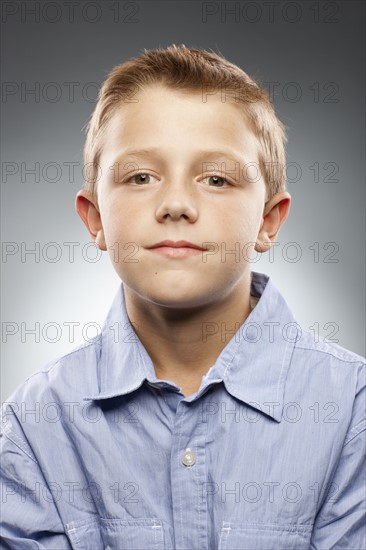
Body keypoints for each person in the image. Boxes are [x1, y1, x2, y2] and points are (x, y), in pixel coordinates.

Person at [1, 44, 365, 549]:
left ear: (268, 219)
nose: (175, 204)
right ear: (96, 218)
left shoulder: (351, 408)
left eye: (216, 178)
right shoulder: (35, 423)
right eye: (140, 177)